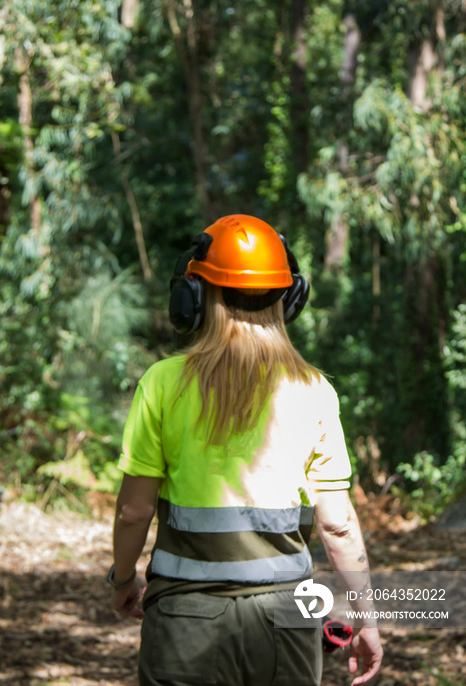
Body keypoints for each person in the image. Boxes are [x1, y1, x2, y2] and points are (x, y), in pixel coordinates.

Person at [108, 214, 383, 686]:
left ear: (194, 297)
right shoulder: (314, 389)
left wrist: (121, 581)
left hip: (183, 618)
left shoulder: (161, 383)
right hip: (287, 619)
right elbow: (337, 524)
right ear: (288, 297)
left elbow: (135, 511)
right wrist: (366, 617)